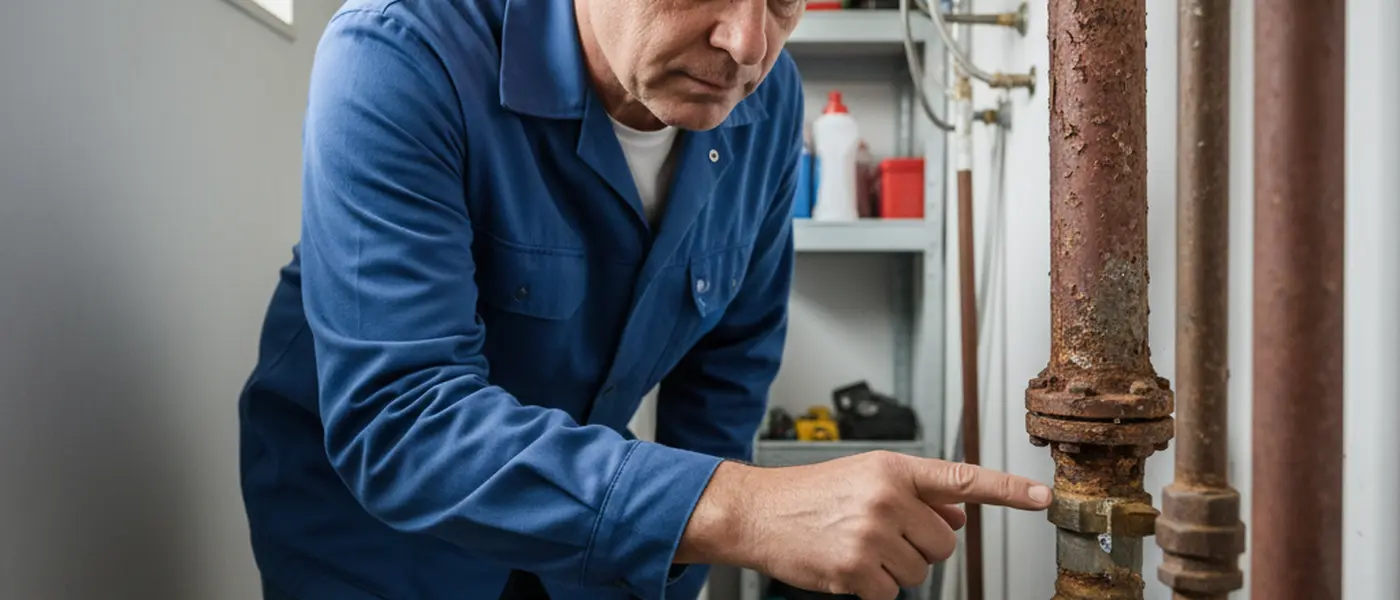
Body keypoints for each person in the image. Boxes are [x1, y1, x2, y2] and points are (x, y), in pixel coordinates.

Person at [237, 0, 1053, 599]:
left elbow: (728, 371)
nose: (747, 43)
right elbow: (402, 417)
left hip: (586, 536)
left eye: (782, 1)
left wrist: (673, 566)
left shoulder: (766, 103)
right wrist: (745, 511)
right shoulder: (403, 51)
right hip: (377, 541)